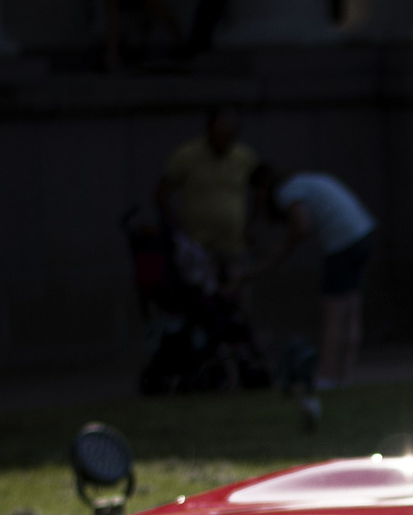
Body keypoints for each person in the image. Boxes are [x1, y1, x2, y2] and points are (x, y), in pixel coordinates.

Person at [240, 164, 378, 412]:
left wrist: (280, 252)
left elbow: (300, 226)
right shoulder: (301, 182)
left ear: (262, 188)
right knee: (350, 308)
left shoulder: (287, 192)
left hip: (342, 244)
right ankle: (344, 377)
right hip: (362, 234)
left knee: (335, 312)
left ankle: (325, 378)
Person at [156, 106, 257, 288]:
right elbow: (162, 194)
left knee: (237, 300)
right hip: (198, 247)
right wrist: (177, 231)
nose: (224, 140)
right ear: (209, 129)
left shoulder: (244, 157)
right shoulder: (187, 156)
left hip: (234, 245)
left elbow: (261, 190)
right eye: (220, 133)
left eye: (230, 134)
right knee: (202, 302)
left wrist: (253, 222)